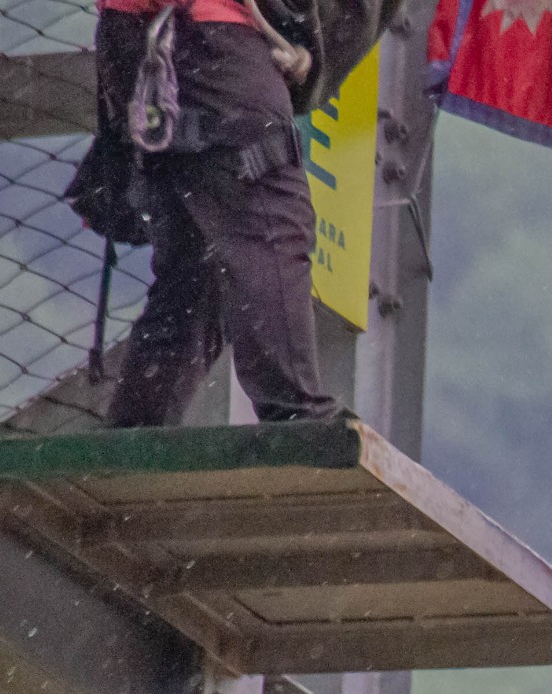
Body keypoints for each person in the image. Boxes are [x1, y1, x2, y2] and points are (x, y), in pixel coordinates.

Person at [71, 0, 395, 427]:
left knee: (197, 270)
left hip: (146, 40)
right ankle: (296, 416)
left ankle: (136, 432)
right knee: (267, 213)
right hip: (210, 37)